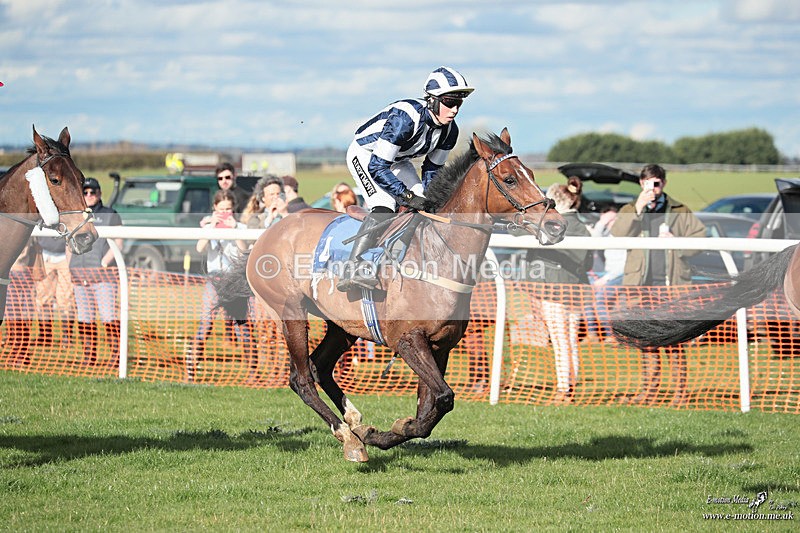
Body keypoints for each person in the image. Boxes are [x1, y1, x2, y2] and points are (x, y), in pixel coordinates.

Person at [337, 66, 475, 291]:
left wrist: (428, 200)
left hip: (398, 160)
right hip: (366, 155)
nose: (455, 109)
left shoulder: (450, 131)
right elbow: (378, 166)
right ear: (432, 101)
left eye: (459, 103)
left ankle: (397, 255)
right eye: (450, 102)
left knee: (425, 202)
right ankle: (353, 266)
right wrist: (406, 196)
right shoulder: (405, 119)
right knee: (384, 205)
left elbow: (432, 171)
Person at [611, 164, 706, 406]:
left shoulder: (679, 210)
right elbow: (618, 234)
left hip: (671, 287)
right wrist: (638, 209)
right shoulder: (630, 209)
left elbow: (700, 241)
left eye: (657, 183)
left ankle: (680, 393)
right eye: (647, 183)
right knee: (645, 341)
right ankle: (649, 390)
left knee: (674, 340)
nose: (652, 188)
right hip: (640, 287)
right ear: (641, 184)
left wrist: (677, 242)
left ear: (663, 183)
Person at [527, 177, 592, 404]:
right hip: (576, 291)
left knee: (560, 340)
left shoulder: (555, 224)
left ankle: (564, 388)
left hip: (554, 291)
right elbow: (588, 263)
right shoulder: (582, 227)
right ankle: (570, 384)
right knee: (570, 339)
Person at [186, 190, 255, 382]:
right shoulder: (209, 226)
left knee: (242, 326)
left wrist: (234, 230)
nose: (225, 212)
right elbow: (199, 248)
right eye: (221, 209)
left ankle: (252, 373)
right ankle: (191, 369)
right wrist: (212, 227)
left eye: (228, 209)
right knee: (206, 323)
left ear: (234, 210)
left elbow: (244, 250)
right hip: (214, 280)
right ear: (215, 208)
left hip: (235, 281)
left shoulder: (240, 226)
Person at [69, 177, 123, 367]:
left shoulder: (110, 214)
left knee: (108, 317)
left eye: (93, 192)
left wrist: (104, 263)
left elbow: (119, 241)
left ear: (99, 193)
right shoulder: (76, 215)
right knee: (85, 318)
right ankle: (89, 357)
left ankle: (116, 357)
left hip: (103, 277)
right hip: (79, 276)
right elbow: (69, 244)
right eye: (85, 192)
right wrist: (70, 266)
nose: (89, 195)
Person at [586, 207, 626, 341]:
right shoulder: (608, 235)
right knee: (586, 297)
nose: (610, 223)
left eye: (613, 219)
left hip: (620, 277)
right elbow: (595, 241)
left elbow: (623, 267)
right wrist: (601, 224)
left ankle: (611, 336)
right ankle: (592, 334)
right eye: (607, 220)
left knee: (599, 302)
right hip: (609, 276)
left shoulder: (624, 236)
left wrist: (605, 279)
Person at [31, 235, 75, 347]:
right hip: (45, 256)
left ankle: (67, 336)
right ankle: (46, 335)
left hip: (66, 256)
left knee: (65, 300)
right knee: (43, 298)